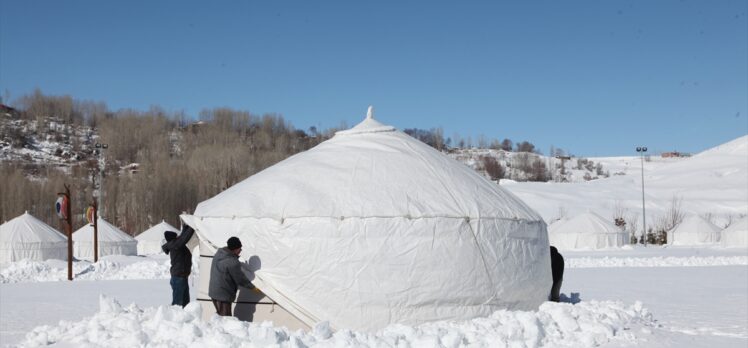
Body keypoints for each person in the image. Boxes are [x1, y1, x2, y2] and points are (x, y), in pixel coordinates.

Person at [209, 236, 255, 316]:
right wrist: (252, 287)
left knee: (220, 317)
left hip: (214, 292)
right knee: (225, 320)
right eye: (240, 248)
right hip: (223, 295)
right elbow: (240, 279)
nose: (240, 250)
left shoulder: (219, 253)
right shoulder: (232, 262)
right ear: (235, 249)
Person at [161, 224, 195, 307]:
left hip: (181, 277)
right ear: (173, 239)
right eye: (176, 237)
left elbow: (182, 237)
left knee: (185, 304)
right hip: (178, 278)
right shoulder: (175, 245)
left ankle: (184, 319)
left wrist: (185, 228)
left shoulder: (176, 244)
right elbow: (184, 238)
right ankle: (175, 319)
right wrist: (192, 227)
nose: (177, 237)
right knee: (178, 305)